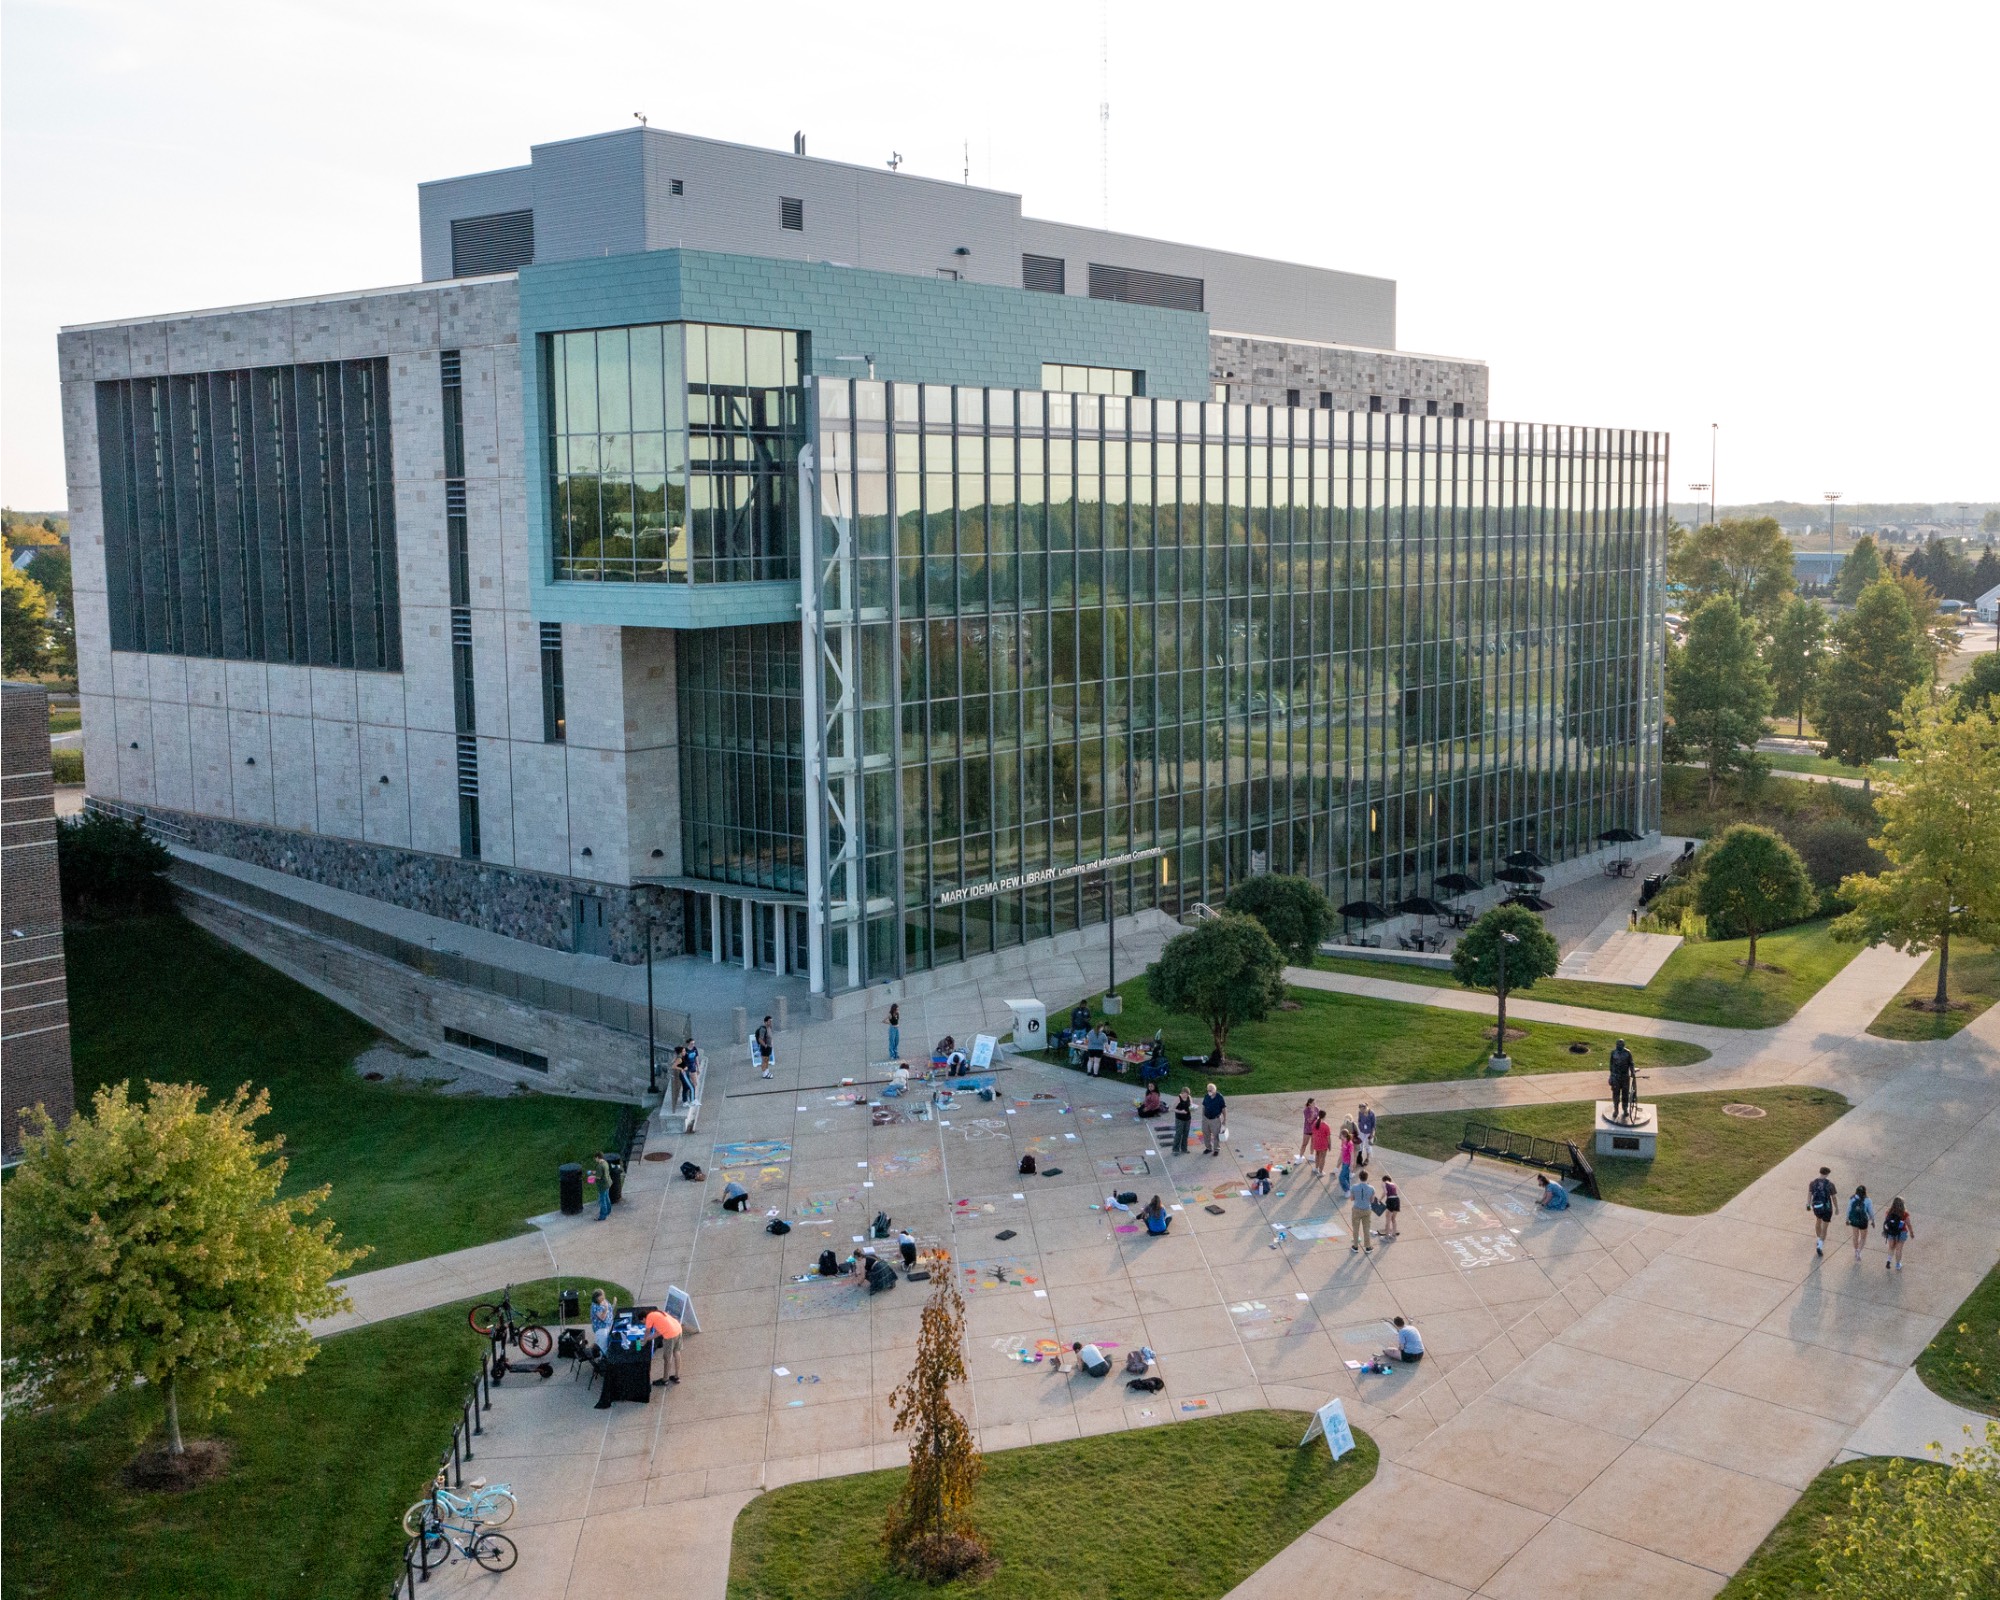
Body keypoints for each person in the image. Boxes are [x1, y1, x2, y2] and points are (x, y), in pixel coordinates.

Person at [643, 1307, 682, 1385]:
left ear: (644, 1318)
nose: (644, 1323)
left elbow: (647, 1331)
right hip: (678, 1330)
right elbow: (658, 1333)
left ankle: (665, 1380)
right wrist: (648, 1339)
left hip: (670, 1336)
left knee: (667, 1358)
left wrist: (644, 1341)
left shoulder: (649, 1317)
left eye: (643, 1322)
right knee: (677, 1352)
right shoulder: (658, 1314)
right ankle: (677, 1376)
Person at [1808, 1167, 1838, 1258]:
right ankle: (1820, 1246)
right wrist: (1836, 1208)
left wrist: (1808, 1204)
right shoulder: (1830, 1184)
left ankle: (1818, 1239)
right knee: (1824, 1228)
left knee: (1818, 1221)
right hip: (1827, 1208)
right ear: (1827, 1174)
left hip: (1817, 1207)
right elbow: (1834, 1197)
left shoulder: (1813, 1183)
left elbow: (1809, 1194)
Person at [1881, 1198, 1914, 1270]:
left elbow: (1887, 1221)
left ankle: (1889, 1260)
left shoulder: (1888, 1211)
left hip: (1891, 1231)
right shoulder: (1904, 1213)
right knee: (1899, 1249)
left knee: (1891, 1247)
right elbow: (1908, 1224)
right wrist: (1911, 1232)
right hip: (1901, 1232)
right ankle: (1898, 1264)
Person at [1349, 1167, 1376, 1253]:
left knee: (1355, 1228)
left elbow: (1352, 1199)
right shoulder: (1372, 1188)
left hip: (1356, 1209)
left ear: (1359, 1177)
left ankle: (1355, 1246)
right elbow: (1372, 1201)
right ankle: (1368, 1247)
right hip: (1367, 1210)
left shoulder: (1354, 1187)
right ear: (1367, 1177)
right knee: (1366, 1228)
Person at [1847, 1184, 1875, 1262]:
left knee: (1855, 1236)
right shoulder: (1868, 1200)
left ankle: (1856, 1250)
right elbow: (1871, 1212)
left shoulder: (1852, 1199)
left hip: (1854, 1220)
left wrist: (1847, 1219)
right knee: (1863, 1237)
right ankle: (1859, 1251)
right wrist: (1873, 1220)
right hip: (1863, 1221)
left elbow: (1848, 1209)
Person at [1609, 1040, 1636, 1118]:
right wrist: (1611, 1076)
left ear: (1623, 1045)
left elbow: (1631, 1063)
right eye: (1617, 1045)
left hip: (1625, 1077)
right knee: (1615, 1095)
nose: (1619, 1046)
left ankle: (1625, 1109)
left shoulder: (1627, 1053)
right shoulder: (1613, 1053)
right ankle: (1616, 1110)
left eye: (1620, 1045)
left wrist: (1632, 1072)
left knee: (1625, 1095)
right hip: (1616, 1077)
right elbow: (1611, 1065)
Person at [1201, 1083, 1226, 1155]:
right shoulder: (1206, 1096)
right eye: (1208, 1090)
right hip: (1206, 1119)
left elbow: (1223, 1109)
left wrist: (1225, 1119)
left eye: (1210, 1090)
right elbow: (1204, 1106)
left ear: (1215, 1090)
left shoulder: (1219, 1097)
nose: (1209, 1092)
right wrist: (1203, 1116)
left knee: (1216, 1135)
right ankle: (1208, 1148)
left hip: (1215, 1119)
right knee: (1206, 1134)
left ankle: (1216, 1149)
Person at [589, 1288, 615, 1353]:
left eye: (603, 1297)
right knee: (602, 1348)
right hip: (601, 1329)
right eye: (601, 1298)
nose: (603, 1299)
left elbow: (610, 1309)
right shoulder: (595, 1306)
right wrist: (606, 1308)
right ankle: (602, 1358)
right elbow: (603, 1318)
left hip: (607, 1326)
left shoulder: (604, 1300)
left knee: (607, 1343)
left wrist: (614, 1303)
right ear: (596, 1299)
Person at [1297, 1098, 1320, 1162]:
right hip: (1307, 1129)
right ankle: (1300, 1157)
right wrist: (1313, 1113)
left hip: (1314, 1129)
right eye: (1313, 1103)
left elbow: (1318, 1118)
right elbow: (1309, 1121)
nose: (1315, 1104)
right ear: (1310, 1103)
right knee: (1304, 1144)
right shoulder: (1306, 1110)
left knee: (1313, 1143)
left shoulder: (1317, 1109)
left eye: (1315, 1102)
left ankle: (1311, 1156)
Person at [1311, 1110, 1333, 1178]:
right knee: (1322, 1158)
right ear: (1324, 1116)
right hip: (1323, 1144)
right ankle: (1320, 1172)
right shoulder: (1326, 1126)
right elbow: (1328, 1138)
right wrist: (1330, 1145)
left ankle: (1316, 1168)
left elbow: (1313, 1133)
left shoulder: (1315, 1123)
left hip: (1316, 1142)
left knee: (1317, 1155)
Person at [1172, 1087, 1193, 1154]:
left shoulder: (1189, 1097)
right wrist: (1181, 1111)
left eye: (1187, 1094)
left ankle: (1184, 1148)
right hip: (1180, 1119)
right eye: (1185, 1094)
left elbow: (1191, 1106)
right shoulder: (1178, 1098)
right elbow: (1172, 1108)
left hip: (1188, 1118)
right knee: (1178, 1134)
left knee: (1186, 1134)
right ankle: (1175, 1149)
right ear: (1182, 1092)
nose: (1186, 1095)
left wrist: (1193, 1108)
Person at [1379, 1174, 1401, 1238]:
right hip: (1397, 1200)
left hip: (1390, 1200)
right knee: (1393, 1218)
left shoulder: (1384, 1183)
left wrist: (1380, 1199)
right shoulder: (1393, 1184)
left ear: (1383, 1180)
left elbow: (1385, 1192)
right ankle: (1393, 1234)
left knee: (1388, 1219)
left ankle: (1386, 1236)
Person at [595, 1152, 615, 1220]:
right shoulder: (605, 1163)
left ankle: (602, 1216)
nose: (595, 1160)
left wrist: (592, 1176)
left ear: (597, 1157)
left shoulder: (599, 1166)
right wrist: (594, 1172)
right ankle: (608, 1211)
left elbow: (598, 1177)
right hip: (608, 1183)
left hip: (602, 1186)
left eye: (595, 1158)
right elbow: (603, 1172)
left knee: (602, 1201)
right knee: (607, 1197)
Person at [755, 1014, 775, 1079]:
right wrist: (765, 1045)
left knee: (767, 1060)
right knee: (764, 1060)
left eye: (771, 1021)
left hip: (769, 1047)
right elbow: (760, 1039)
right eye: (769, 1021)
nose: (771, 1022)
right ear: (765, 1022)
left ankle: (767, 1071)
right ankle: (764, 1074)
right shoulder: (763, 1029)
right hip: (765, 1048)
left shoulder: (769, 1027)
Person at [1337, 1127, 1355, 1194]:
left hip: (1347, 1163)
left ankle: (1347, 1190)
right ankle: (1348, 1189)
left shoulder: (1350, 1143)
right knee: (1346, 1177)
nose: (1340, 1136)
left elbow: (1352, 1155)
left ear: (1343, 1135)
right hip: (1344, 1162)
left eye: (1341, 1134)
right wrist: (1340, 1162)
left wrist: (1351, 1165)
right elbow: (1342, 1152)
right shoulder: (1343, 1142)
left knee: (1341, 1177)